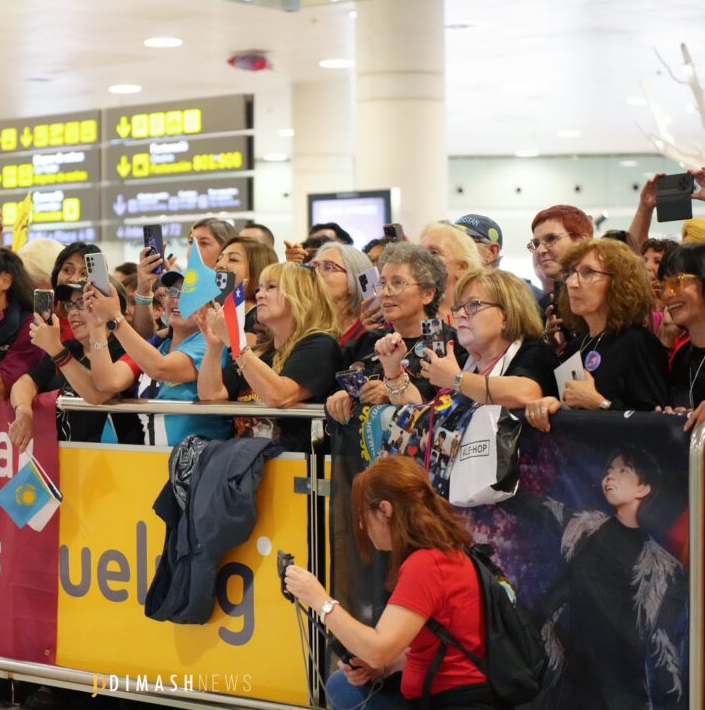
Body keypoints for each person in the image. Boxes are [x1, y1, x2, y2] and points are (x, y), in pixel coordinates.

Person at [285, 456, 503, 709]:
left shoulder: (426, 565)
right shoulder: (444, 552)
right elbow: (436, 645)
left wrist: (320, 601)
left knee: (343, 691)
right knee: (341, 686)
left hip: (447, 700)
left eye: (362, 514)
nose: (361, 525)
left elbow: (378, 651)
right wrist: (385, 668)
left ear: (385, 510)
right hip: (455, 691)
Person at [516, 447, 685, 709]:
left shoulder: (664, 567)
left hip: (617, 692)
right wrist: (490, 487)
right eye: (608, 471)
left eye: (623, 471)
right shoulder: (584, 526)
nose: (609, 477)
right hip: (564, 678)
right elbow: (542, 508)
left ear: (643, 488)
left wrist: (676, 701)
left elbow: (663, 645)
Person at [196, 262, 340, 452]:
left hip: (291, 464)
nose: (259, 295)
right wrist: (214, 345)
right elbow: (211, 395)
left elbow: (278, 395)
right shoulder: (261, 353)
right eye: (259, 288)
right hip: (246, 462)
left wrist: (235, 342)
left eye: (271, 287)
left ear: (301, 294)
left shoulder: (320, 344)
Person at [526, 239, 668, 430]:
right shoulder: (577, 346)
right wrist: (550, 405)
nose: (572, 283)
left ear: (619, 282)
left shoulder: (638, 342)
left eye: (588, 273)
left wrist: (600, 403)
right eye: (570, 273)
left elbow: (657, 425)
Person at [85, 270, 232, 446]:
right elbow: (108, 382)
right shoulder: (158, 345)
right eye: (173, 291)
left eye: (189, 292)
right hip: (150, 458)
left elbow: (160, 368)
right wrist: (96, 325)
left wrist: (115, 318)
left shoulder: (211, 344)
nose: (177, 299)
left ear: (211, 307)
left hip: (194, 459)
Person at [329, 243, 466, 413]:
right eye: (382, 283)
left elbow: (440, 407)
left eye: (398, 283)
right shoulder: (370, 339)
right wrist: (341, 396)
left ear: (428, 294)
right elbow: (338, 384)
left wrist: (391, 391)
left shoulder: (443, 341)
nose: (385, 292)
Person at [8, 279, 143, 448]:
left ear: (110, 307)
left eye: (82, 303)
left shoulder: (126, 350)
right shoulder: (70, 348)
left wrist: (57, 351)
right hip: (67, 455)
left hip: (115, 457)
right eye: (69, 305)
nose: (72, 312)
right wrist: (24, 413)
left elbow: (97, 395)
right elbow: (25, 383)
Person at [400, 268, 558, 408]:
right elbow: (419, 404)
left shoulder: (534, 353)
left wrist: (457, 379)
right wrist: (393, 372)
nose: (460, 314)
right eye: (458, 307)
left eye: (473, 305)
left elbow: (525, 393)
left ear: (507, 316)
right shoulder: (462, 360)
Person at [531, 204, 594, 350]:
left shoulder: (609, 295)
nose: (539, 250)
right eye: (536, 243)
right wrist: (549, 344)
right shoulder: (547, 305)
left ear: (582, 240)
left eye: (551, 238)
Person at [656, 243, 705, 431]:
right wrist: (673, 417)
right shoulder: (682, 356)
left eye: (677, 282)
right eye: (662, 286)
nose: (667, 295)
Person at [213, 235, 278, 344]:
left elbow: (244, 353)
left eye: (233, 259)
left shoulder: (260, 319)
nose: (219, 265)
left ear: (257, 270)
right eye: (218, 259)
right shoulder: (218, 312)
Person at [310, 241, 375, 349]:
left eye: (327, 267)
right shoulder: (309, 325)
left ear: (353, 279)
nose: (315, 273)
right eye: (313, 267)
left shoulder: (369, 332)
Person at [419, 222, 482, 324]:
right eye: (420, 252)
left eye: (434, 252)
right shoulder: (409, 313)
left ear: (462, 267)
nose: (420, 259)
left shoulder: (479, 314)